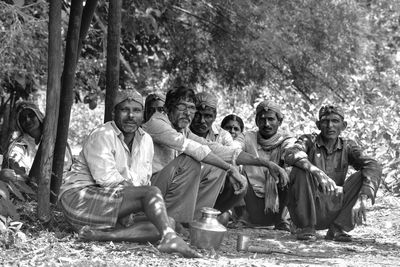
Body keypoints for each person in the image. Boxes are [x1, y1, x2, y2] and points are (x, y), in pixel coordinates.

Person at [58, 89, 201, 258]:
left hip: (110, 207)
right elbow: (106, 180)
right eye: (125, 110)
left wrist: (133, 206)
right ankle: (170, 238)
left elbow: (141, 181)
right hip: (80, 201)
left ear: (143, 114)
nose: (131, 116)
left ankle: (104, 236)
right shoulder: (102, 134)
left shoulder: (145, 140)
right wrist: (135, 201)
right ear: (114, 112)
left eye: (136, 110)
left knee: (166, 222)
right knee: (152, 194)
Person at [142, 86, 288, 227]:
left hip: (165, 188)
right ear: (168, 108)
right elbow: (194, 149)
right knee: (190, 160)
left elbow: (214, 148)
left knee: (216, 167)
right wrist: (231, 169)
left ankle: (193, 221)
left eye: (191, 108)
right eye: (182, 107)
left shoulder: (183, 129)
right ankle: (172, 221)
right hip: (150, 190)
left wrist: (267, 164)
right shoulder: (156, 123)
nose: (188, 113)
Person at [285, 105, 382, 241]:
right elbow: (291, 154)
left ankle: (337, 229)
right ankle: (306, 226)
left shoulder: (347, 146)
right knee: (300, 169)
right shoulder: (308, 140)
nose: (330, 126)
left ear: (344, 125)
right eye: (325, 121)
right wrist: (316, 171)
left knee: (364, 174)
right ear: (318, 125)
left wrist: (363, 197)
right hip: (307, 206)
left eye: (335, 121)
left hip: (334, 207)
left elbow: (373, 165)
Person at [240, 100, 296, 231]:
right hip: (251, 201)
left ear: (280, 122)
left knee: (295, 170)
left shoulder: (287, 141)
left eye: (271, 119)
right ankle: (243, 216)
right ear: (256, 121)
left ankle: (282, 219)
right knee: (233, 164)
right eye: (262, 119)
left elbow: (292, 153)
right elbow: (234, 149)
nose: (266, 124)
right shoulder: (247, 137)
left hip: (278, 204)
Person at [189, 92, 244, 223]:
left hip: (213, 188)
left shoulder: (223, 135)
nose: (202, 121)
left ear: (215, 116)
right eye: (197, 115)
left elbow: (234, 154)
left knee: (239, 181)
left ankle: (208, 215)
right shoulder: (182, 131)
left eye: (207, 116)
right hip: (186, 185)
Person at [0, 101, 72, 185]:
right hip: (30, 184)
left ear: (38, 116)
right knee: (6, 174)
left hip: (58, 181)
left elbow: (66, 164)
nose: (27, 120)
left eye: (31, 115)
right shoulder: (19, 145)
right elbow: (17, 170)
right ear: (20, 124)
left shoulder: (55, 138)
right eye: (23, 118)